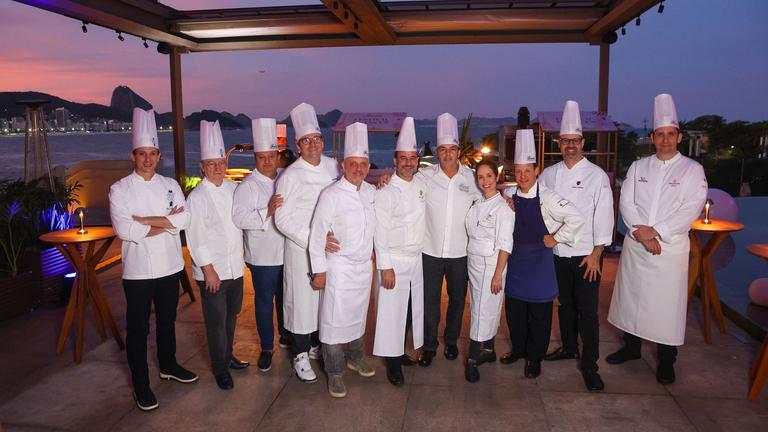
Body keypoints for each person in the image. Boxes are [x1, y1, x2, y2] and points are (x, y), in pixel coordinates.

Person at [607, 93, 708, 384]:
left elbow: (691, 207)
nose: (665, 140)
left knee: (666, 308)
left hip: (669, 249)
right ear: (652, 137)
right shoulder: (639, 167)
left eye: (670, 134)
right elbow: (627, 202)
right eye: (660, 134)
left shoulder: (692, 170)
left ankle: (666, 360)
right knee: (632, 300)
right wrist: (641, 233)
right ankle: (631, 348)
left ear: (679, 137)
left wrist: (657, 231)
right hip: (638, 245)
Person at [109, 108, 197, 411]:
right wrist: (166, 223)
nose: (147, 159)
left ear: (159, 156)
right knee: (138, 330)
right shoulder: (119, 189)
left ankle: (168, 365)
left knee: (167, 321)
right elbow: (124, 230)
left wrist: (145, 221)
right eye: (142, 154)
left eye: (152, 154)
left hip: (170, 266)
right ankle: (141, 386)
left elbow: (185, 220)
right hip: (137, 272)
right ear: (133, 156)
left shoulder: (170, 184)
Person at [539, 100, 614, 392]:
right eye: (565, 140)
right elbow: (535, 201)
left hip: (586, 255)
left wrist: (597, 253)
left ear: (583, 143)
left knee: (588, 311)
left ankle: (590, 366)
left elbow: (604, 215)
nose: (570, 145)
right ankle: (569, 347)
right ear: (559, 143)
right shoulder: (549, 174)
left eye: (575, 141)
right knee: (565, 305)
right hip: (558, 253)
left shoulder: (596, 175)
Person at [501, 129, 584, 379]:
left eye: (527, 171)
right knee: (515, 313)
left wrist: (556, 238)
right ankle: (518, 350)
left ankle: (534, 358)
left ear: (536, 170)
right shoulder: (508, 195)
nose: (523, 176)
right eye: (518, 171)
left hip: (539, 265)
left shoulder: (547, 197)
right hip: (516, 264)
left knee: (539, 316)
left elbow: (576, 218)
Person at [308, 122, 377, 398]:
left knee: (359, 318)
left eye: (363, 164)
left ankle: (356, 357)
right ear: (343, 166)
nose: (358, 169)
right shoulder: (331, 195)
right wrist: (319, 271)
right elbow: (317, 235)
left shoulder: (372, 193)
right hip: (339, 268)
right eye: (353, 163)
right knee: (333, 323)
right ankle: (335, 372)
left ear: (369, 167)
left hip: (363, 269)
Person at [274, 102, 340, 383]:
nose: (313, 144)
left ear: (322, 141)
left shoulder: (334, 166)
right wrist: (315, 239)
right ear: (298, 145)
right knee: (301, 304)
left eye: (316, 139)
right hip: (301, 250)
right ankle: (299, 354)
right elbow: (281, 219)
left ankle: (315, 345)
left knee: (322, 301)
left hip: (328, 249)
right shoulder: (290, 175)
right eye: (306, 140)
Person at [186, 120, 247, 390]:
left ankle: (228, 355)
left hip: (235, 267)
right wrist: (208, 270)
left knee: (231, 316)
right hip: (213, 272)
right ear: (202, 167)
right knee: (216, 323)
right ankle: (220, 368)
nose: (217, 168)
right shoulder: (197, 197)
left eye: (221, 163)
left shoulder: (234, 189)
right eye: (211, 164)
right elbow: (195, 237)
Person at [418, 112, 482, 366]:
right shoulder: (424, 176)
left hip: (461, 252)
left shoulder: (472, 177)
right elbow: (402, 184)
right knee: (429, 301)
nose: (447, 154)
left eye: (451, 149)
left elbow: (489, 199)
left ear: (458, 151)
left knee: (457, 300)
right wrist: (384, 180)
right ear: (437, 152)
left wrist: (507, 199)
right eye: (442, 149)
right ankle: (429, 345)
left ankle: (452, 341)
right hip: (430, 250)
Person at [372, 117, 426, 386]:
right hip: (394, 260)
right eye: (403, 158)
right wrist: (386, 267)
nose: (408, 163)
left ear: (418, 161)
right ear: (395, 161)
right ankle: (392, 364)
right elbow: (379, 232)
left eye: (412, 158)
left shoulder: (421, 185)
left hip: (415, 260)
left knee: (408, 311)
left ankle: (400, 352)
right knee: (391, 314)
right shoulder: (386, 191)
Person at [233, 118, 289, 373]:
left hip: (287, 252)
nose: (267, 161)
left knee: (286, 299)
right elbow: (239, 218)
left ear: (278, 156)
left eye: (271, 156)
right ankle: (267, 347)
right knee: (265, 302)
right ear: (255, 158)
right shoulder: (247, 186)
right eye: (262, 157)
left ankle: (287, 336)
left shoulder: (286, 178)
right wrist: (266, 211)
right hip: (262, 256)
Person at [464, 160, 514, 383]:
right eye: (481, 177)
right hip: (474, 262)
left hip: (491, 265)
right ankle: (490, 350)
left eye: (489, 176)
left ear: (497, 177)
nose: (485, 181)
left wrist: (497, 274)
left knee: (481, 312)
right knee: (483, 307)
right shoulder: (477, 202)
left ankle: (472, 359)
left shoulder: (503, 208)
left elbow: (505, 244)